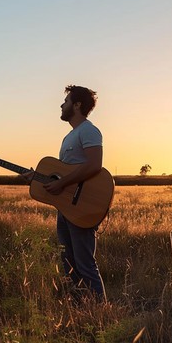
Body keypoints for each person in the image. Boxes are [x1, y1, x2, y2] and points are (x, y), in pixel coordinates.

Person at [41, 85, 107, 302]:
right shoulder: (69, 136)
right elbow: (65, 173)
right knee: (69, 263)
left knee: (85, 263)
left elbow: (95, 165)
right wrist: (39, 178)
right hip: (66, 207)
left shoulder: (88, 130)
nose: (62, 105)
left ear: (77, 105)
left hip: (82, 206)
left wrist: (63, 183)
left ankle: (100, 314)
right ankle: (81, 309)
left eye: (66, 101)